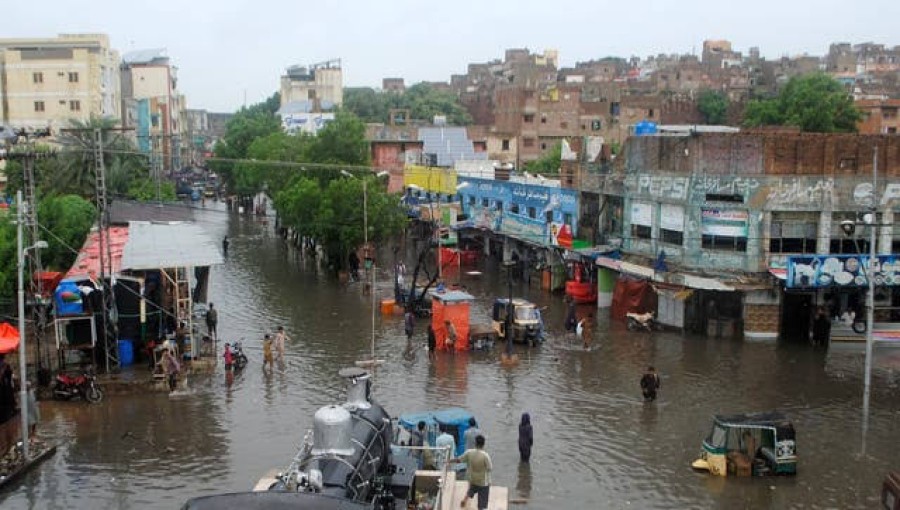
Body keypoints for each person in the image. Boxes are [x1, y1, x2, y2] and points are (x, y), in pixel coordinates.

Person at [450, 435, 493, 510]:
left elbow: (459, 460)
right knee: (482, 504)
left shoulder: (469, 452)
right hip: (483, 482)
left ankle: (464, 500)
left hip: (472, 478)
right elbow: (490, 468)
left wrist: (449, 461)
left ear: (475, 443)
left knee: (472, 489)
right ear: (483, 444)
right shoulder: (485, 455)